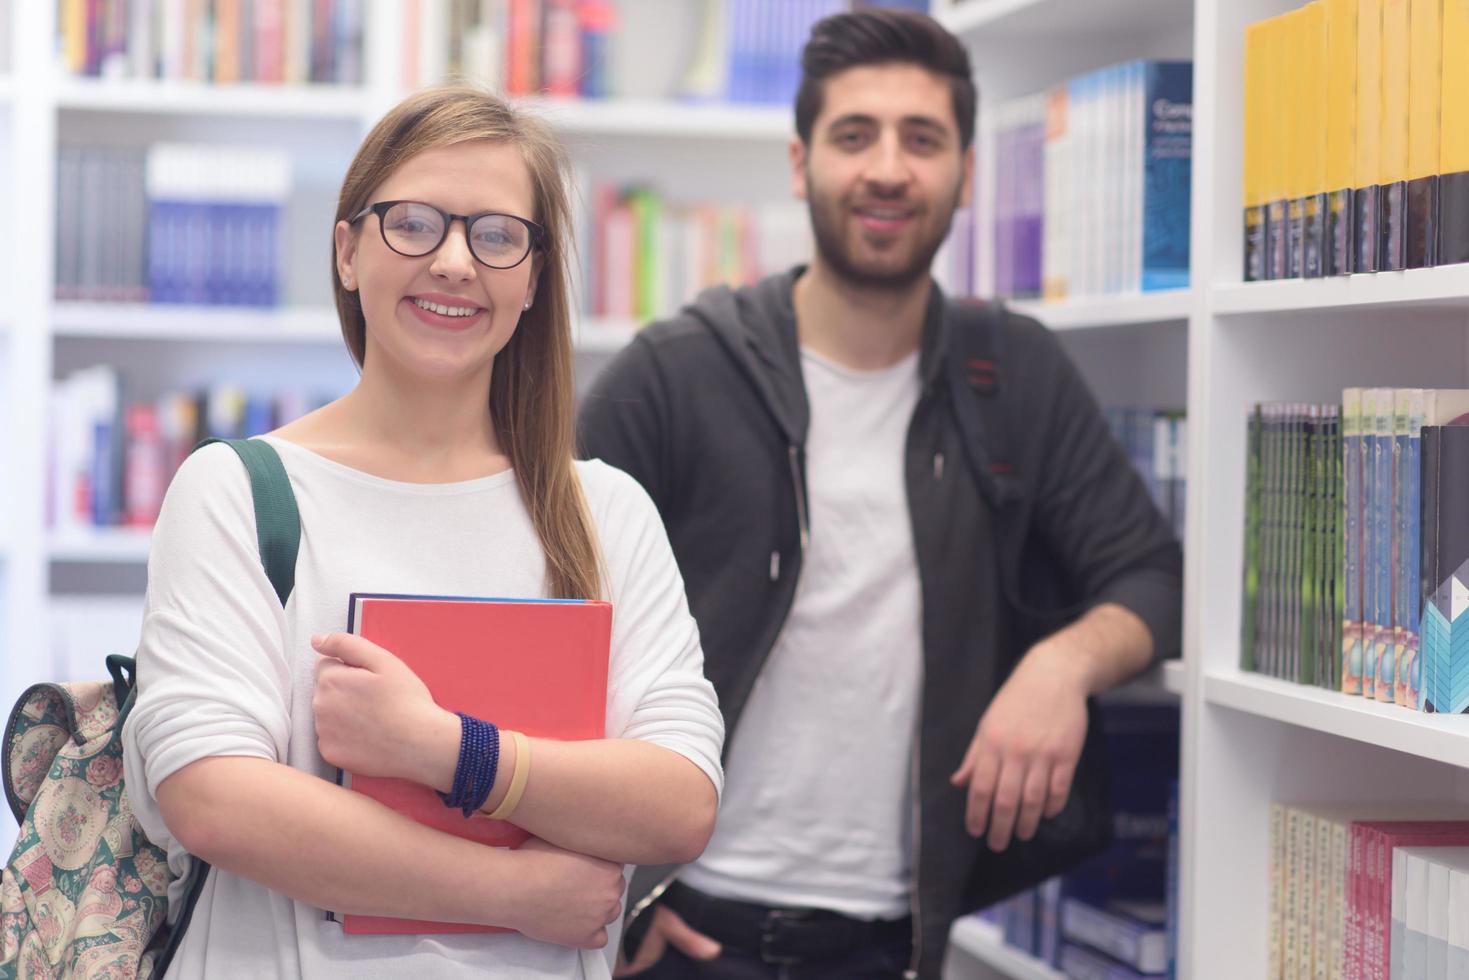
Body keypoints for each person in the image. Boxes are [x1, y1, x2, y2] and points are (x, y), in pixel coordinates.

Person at [576, 9, 1183, 980]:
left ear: (966, 173)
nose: (888, 169)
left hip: (895, 943)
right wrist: (599, 880)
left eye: (922, 138)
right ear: (798, 161)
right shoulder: (682, 367)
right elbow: (540, 595)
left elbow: (1151, 572)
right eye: (853, 135)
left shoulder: (1013, 370)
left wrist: (1060, 664)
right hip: (684, 929)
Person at [120, 85, 724, 980]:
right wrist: (512, 892)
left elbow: (676, 804)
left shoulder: (604, 513)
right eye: (412, 223)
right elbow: (213, 798)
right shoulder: (239, 491)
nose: (453, 262)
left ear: (533, 277)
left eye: (495, 234)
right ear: (347, 251)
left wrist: (444, 748)